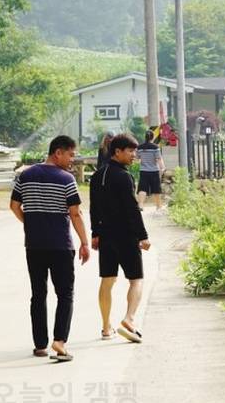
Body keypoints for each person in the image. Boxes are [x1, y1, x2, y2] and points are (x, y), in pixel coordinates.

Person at [9, 135, 91, 361]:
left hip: (34, 246)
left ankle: (40, 345)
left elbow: (14, 206)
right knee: (65, 294)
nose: (72, 160)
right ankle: (59, 341)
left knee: (38, 294)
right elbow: (75, 213)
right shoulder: (66, 179)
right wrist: (84, 242)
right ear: (58, 153)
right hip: (60, 246)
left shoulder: (25, 175)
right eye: (70, 155)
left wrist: (29, 223)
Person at [90, 133, 151, 343]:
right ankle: (129, 319)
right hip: (126, 236)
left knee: (107, 280)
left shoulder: (97, 175)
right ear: (117, 151)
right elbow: (132, 209)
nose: (134, 155)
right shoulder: (124, 177)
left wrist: (95, 233)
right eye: (130, 151)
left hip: (106, 236)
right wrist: (143, 236)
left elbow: (94, 207)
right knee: (136, 280)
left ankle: (106, 327)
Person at [135, 131, 165, 211]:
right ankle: (158, 206)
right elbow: (159, 159)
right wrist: (162, 168)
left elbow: (137, 159)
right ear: (152, 137)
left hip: (143, 171)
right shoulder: (155, 147)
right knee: (156, 189)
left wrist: (143, 161)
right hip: (154, 171)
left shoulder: (140, 147)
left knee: (142, 188)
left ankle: (141, 205)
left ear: (145, 137)